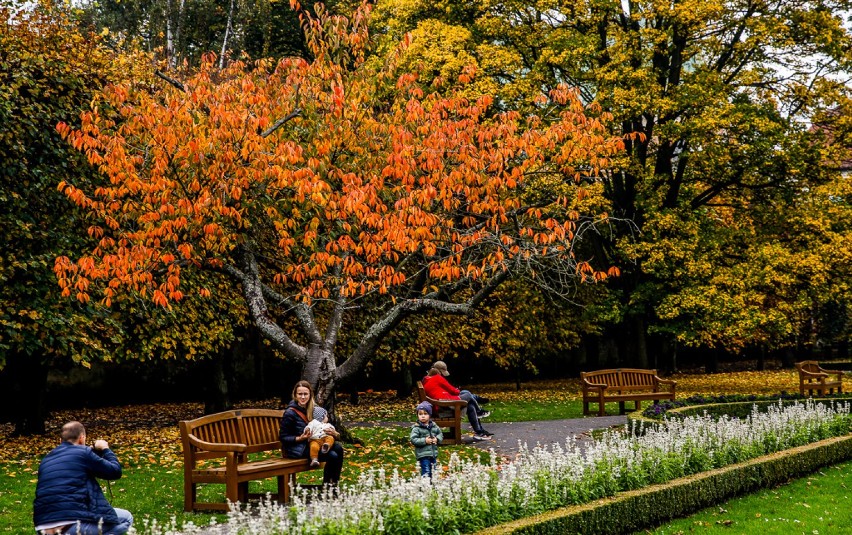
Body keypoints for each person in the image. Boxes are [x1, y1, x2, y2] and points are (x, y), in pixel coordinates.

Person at [33, 421, 133, 535]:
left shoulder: (46, 460)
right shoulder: (83, 452)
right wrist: (105, 448)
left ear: (60, 441)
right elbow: (115, 471)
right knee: (126, 518)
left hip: (42, 527)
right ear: (82, 438)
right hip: (73, 523)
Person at [279, 380, 345, 485]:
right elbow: (283, 437)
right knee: (332, 455)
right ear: (295, 395)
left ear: (310, 395)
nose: (303, 397)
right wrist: (300, 438)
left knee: (338, 448)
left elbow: (323, 428)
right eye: (300, 394)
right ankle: (327, 486)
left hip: (313, 443)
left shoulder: (314, 410)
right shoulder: (290, 413)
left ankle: (333, 485)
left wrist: (334, 433)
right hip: (297, 449)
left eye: (305, 394)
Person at [422, 360, 494, 441]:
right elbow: (455, 391)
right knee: (468, 395)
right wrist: (456, 390)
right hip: (443, 408)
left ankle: (480, 431)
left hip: (439, 406)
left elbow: (440, 392)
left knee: (468, 399)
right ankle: (479, 412)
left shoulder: (426, 379)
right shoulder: (438, 378)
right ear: (440, 372)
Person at [410, 401, 443, 478]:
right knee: (426, 471)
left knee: (434, 470)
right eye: (420, 414)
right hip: (423, 455)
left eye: (425, 414)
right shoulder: (416, 428)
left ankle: (433, 485)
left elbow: (440, 434)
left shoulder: (434, 426)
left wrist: (437, 439)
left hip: (433, 453)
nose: (423, 416)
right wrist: (425, 441)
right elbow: (413, 439)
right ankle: (425, 486)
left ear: (430, 415)